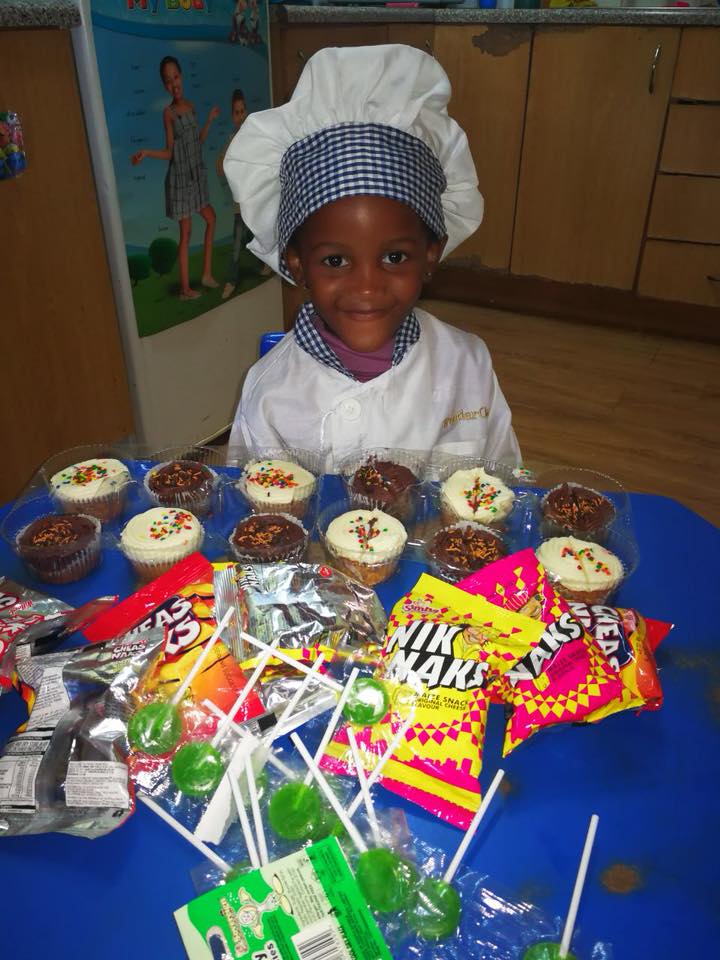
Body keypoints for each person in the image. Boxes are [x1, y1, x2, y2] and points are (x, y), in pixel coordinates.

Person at [223, 45, 521, 469]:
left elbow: (505, 481)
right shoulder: (270, 393)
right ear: (296, 264)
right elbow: (249, 499)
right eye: (335, 261)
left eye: (395, 257)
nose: (367, 286)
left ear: (431, 256)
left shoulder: (468, 367)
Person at [131, 55, 219, 300]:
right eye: (168, 81)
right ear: (164, 85)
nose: (173, 84)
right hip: (180, 179)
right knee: (186, 233)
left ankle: (206, 274)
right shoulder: (168, 113)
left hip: (196, 176)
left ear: (182, 76)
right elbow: (170, 152)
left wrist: (209, 121)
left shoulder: (190, 106)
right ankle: (185, 289)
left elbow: (197, 142)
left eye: (176, 77)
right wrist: (147, 152)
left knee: (211, 219)